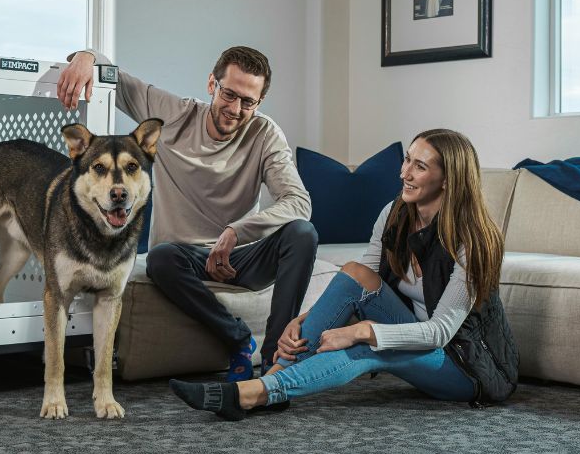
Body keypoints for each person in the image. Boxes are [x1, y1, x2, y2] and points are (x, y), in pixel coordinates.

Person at [169, 129, 518, 420]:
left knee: (369, 347)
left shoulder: (474, 240)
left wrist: (361, 331)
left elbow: (439, 332)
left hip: (464, 365)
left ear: (447, 180)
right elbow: (357, 283)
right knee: (354, 272)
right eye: (407, 159)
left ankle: (256, 393)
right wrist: (307, 319)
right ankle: (267, 385)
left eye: (420, 166)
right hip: (412, 335)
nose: (404, 173)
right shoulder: (395, 213)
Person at [57, 47, 317, 382]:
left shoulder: (264, 134)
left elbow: (298, 201)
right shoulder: (175, 115)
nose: (235, 110)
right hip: (185, 259)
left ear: (259, 102)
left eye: (248, 102)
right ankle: (238, 338)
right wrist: (86, 57)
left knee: (302, 234)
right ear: (212, 84)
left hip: (239, 257)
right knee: (160, 258)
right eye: (229, 94)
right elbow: (119, 83)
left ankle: (274, 361)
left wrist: (237, 232)